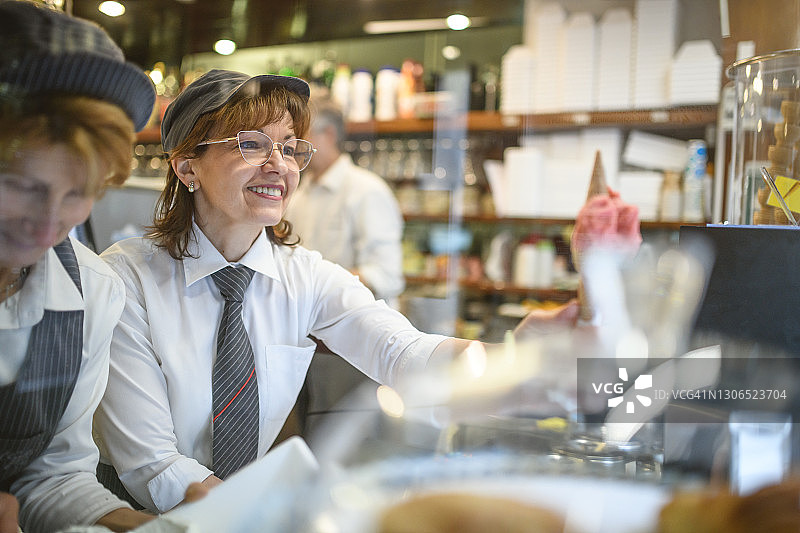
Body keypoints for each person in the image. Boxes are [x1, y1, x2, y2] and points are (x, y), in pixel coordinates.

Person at [94, 68, 579, 514]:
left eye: (288, 146)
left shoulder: (306, 276)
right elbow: (154, 463)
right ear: (187, 168)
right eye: (251, 145)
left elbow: (404, 352)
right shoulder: (125, 281)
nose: (278, 165)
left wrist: (520, 358)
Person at [0, 1, 162, 531]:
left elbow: (51, 476)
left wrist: (139, 525)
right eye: (24, 187)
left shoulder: (92, 291)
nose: (48, 224)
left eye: (78, 194)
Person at [285, 96, 404, 306]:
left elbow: (386, 275)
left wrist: (318, 285)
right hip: (308, 323)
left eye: (301, 136)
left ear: (329, 134)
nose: (294, 147)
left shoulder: (367, 191)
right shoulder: (298, 192)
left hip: (357, 328)